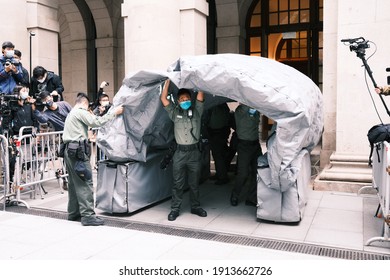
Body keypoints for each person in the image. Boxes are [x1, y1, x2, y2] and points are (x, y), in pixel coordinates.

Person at [62, 92, 123, 226]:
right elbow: (97, 122)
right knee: (85, 182)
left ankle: (73, 213)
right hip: (78, 151)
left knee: (73, 184)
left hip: (69, 151)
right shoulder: (80, 111)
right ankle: (88, 215)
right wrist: (114, 112)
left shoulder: (72, 112)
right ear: (85, 103)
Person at [160, 79, 207, 221]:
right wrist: (167, 80)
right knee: (177, 183)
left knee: (194, 183)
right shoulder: (174, 112)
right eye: (182, 99)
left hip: (194, 153)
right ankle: (175, 209)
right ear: (178, 101)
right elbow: (163, 98)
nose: (185, 100)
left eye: (187, 98)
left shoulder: (197, 111)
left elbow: (200, 94)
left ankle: (195, 206)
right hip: (179, 153)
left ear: (190, 99)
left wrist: (198, 77)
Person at [230, 103, 262, 207]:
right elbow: (245, 106)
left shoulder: (256, 110)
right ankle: (235, 195)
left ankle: (251, 198)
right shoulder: (240, 110)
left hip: (255, 144)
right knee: (243, 173)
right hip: (244, 145)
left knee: (257, 172)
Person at [205, 103, 231, 185]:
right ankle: (220, 173)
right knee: (221, 155)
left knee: (218, 156)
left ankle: (222, 176)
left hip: (216, 133)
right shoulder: (223, 105)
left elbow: (206, 119)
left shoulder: (212, 105)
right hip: (223, 132)